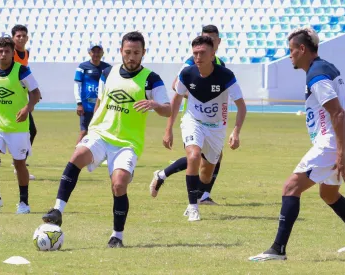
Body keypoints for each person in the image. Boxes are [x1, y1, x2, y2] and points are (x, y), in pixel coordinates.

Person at [249, 27, 345, 261]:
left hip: (332, 144)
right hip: (340, 141)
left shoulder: (317, 73)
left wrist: (340, 153)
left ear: (302, 49)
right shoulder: (325, 67)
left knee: (290, 188)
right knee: (329, 193)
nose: (290, 55)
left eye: (292, 50)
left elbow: (337, 113)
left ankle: (277, 250)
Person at [41, 31, 171, 247]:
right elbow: (101, 100)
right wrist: (92, 129)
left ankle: (116, 236)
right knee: (77, 155)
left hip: (127, 143)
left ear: (143, 53)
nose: (131, 57)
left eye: (136, 53)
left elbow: (167, 110)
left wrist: (155, 105)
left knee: (119, 185)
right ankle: (57, 210)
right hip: (101, 134)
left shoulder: (151, 79)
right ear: (121, 51)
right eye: (127, 52)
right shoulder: (107, 73)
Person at [165, 35, 246, 221]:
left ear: (212, 54)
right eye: (195, 53)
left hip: (216, 128)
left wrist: (236, 131)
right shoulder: (187, 74)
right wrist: (168, 129)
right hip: (193, 121)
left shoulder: (226, 75)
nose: (198, 57)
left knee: (206, 176)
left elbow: (242, 106)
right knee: (193, 155)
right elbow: (176, 99)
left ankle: (165, 176)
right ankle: (193, 206)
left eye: (202, 53)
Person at [150, 25, 226, 205]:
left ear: (218, 41)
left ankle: (203, 194)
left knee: (215, 156)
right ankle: (195, 192)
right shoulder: (191, 62)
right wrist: (199, 94)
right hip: (195, 118)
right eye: (206, 38)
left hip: (213, 121)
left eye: (213, 39)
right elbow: (176, 85)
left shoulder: (220, 64)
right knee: (196, 155)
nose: (210, 41)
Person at [0, 37, 41, 214]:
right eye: (0, 51)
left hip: (17, 127)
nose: (3, 54)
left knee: (19, 164)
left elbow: (36, 93)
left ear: (13, 53)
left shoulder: (22, 71)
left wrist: (27, 108)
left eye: (7, 51)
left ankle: (23, 202)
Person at [73, 44, 111, 144]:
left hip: (102, 107)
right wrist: (79, 103)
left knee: (103, 132)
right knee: (84, 131)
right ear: (89, 53)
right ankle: (76, 157)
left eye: (99, 51)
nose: (96, 54)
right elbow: (77, 85)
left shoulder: (108, 68)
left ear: (102, 53)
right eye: (94, 51)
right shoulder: (82, 67)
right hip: (87, 107)